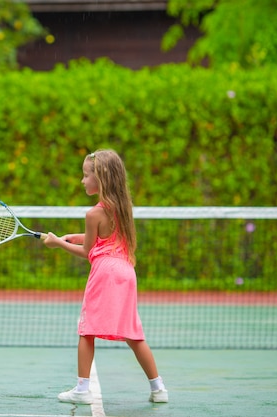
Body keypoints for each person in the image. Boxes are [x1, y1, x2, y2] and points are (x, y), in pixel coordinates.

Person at [43, 149, 168, 404]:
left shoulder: (93, 214)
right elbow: (105, 239)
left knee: (87, 330)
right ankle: (159, 389)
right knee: (134, 335)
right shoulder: (123, 208)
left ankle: (81, 389)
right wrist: (71, 236)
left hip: (105, 274)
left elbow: (88, 251)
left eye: (86, 175)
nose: (82, 180)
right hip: (126, 273)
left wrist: (58, 243)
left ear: (99, 178)